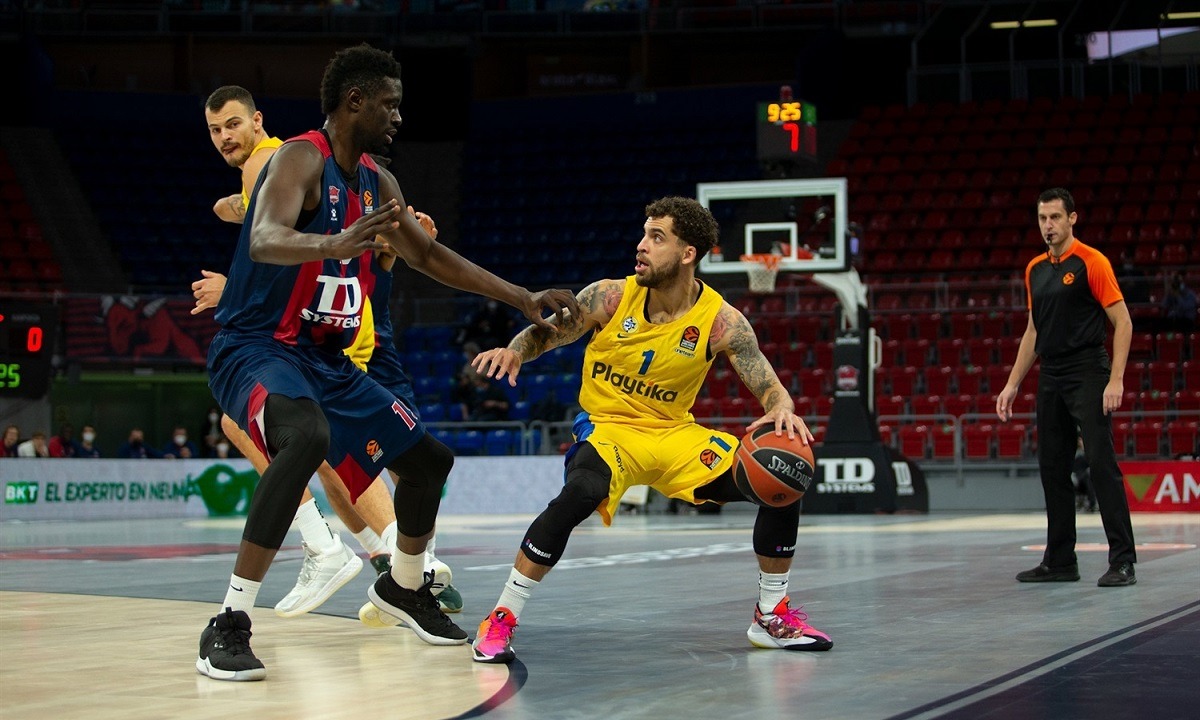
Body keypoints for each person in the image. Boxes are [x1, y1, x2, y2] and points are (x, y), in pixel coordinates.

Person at [195, 43, 577, 682]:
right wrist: (334, 242)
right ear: (355, 102)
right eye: (390, 105)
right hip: (257, 346)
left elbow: (429, 255)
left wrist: (521, 297)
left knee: (429, 463)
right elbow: (262, 237)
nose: (399, 116)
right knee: (306, 437)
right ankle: (229, 622)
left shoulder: (378, 182)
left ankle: (402, 585)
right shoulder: (299, 158)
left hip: (325, 358)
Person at [468, 196, 831, 665]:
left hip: (674, 435)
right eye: (643, 234)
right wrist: (515, 351)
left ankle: (771, 614)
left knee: (782, 476)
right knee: (581, 492)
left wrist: (782, 409)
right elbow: (545, 333)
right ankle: (501, 616)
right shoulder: (609, 297)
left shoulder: (722, 321)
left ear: (687, 253)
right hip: (609, 430)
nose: (641, 245)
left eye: (656, 237)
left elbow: (769, 386)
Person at [198, 84, 455, 623]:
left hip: (323, 330)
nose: (224, 137)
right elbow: (242, 214)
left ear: (257, 122)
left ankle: (370, 554)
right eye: (215, 129)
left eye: (233, 125)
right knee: (314, 445)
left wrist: (234, 290)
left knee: (277, 431)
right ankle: (389, 560)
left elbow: (270, 242)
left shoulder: (274, 160)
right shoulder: (289, 165)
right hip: (337, 323)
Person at [996, 187, 1137, 588]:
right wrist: (1012, 383)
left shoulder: (1093, 262)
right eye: (1043, 218)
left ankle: (1123, 561)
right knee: (1052, 467)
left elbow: (1123, 322)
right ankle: (1060, 561)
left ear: (1072, 219)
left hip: (1088, 369)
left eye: (1056, 217)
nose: (1048, 225)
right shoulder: (1035, 269)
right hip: (1052, 373)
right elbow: (1033, 331)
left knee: (1100, 463)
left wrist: (1116, 379)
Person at [1072, 436, 1096, 513]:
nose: (1081, 442)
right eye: (1080, 440)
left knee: (1088, 476)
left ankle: (1092, 503)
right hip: (1077, 477)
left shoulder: (1092, 455)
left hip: (1088, 477)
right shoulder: (1076, 455)